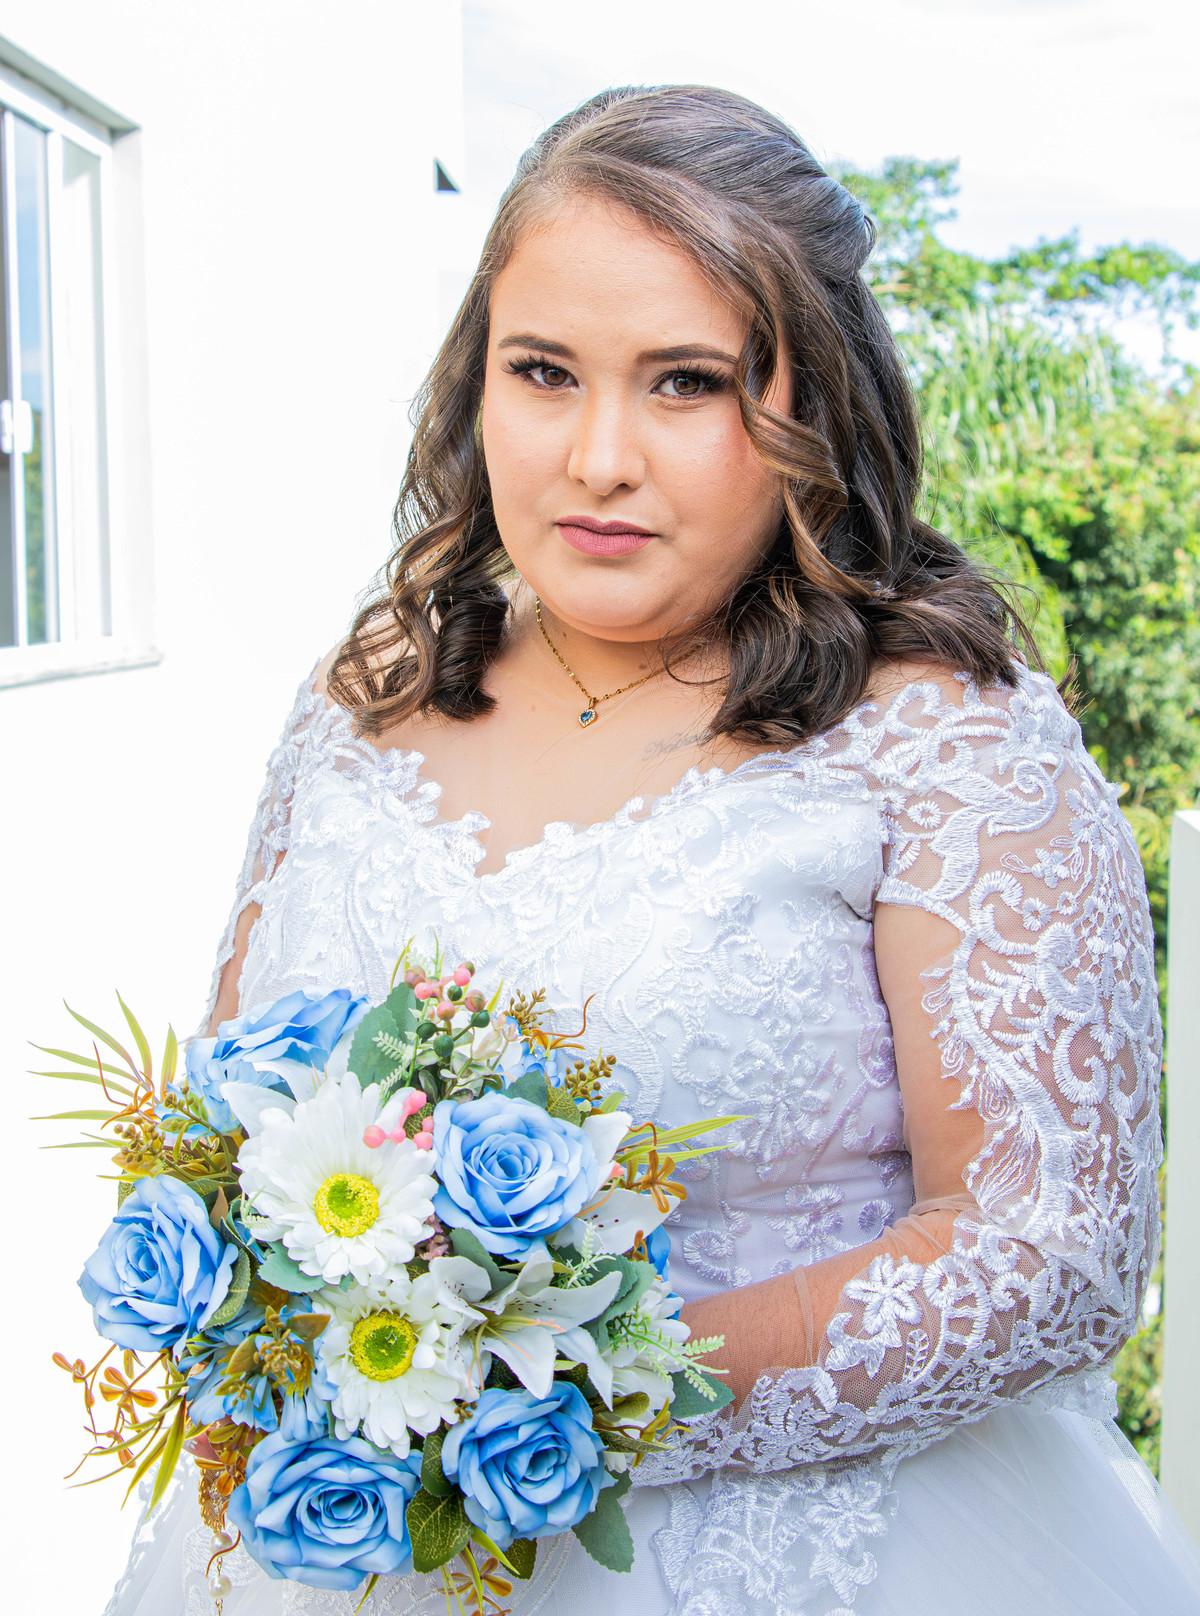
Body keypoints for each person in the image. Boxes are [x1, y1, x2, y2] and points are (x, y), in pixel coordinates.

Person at [106, 86, 1200, 1616]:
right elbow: (228, 1119)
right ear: (474, 383)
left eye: (686, 383)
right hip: (338, 1544)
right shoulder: (364, 696)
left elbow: (1050, 1257)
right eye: (543, 371)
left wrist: (549, 1393)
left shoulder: (946, 735)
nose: (598, 457)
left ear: (817, 405)